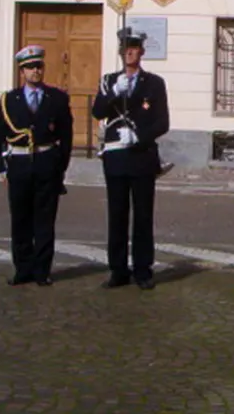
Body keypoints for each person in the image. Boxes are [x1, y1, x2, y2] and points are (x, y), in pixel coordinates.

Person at [92, 27, 170, 290]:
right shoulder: (108, 81)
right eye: (125, 49)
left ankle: (143, 270)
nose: (129, 53)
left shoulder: (154, 83)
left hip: (141, 157)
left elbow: (162, 122)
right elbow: (97, 111)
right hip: (115, 158)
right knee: (117, 215)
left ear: (141, 52)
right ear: (120, 52)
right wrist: (115, 91)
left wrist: (139, 137)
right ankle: (117, 269)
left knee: (143, 216)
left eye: (134, 48)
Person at [0, 45, 73, 287]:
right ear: (22, 71)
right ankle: (23, 269)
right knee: (20, 219)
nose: (35, 71)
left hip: (46, 162)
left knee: (44, 220)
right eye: (30, 67)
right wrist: (2, 168)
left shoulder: (57, 98)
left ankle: (42, 271)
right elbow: (0, 136)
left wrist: (60, 167)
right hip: (18, 164)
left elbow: (66, 137)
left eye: (39, 66)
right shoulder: (9, 99)